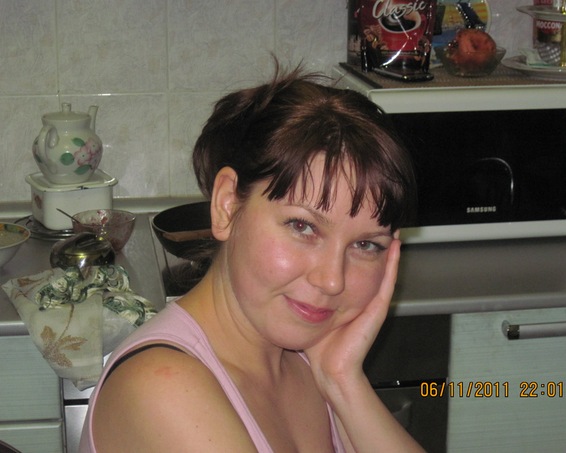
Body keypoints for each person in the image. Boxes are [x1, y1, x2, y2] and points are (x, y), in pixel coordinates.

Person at [80, 64, 424, 453]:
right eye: (303, 226)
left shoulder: (311, 359)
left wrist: (343, 381)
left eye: (366, 245)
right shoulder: (163, 388)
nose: (332, 280)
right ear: (227, 205)